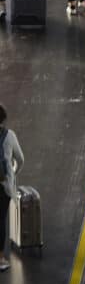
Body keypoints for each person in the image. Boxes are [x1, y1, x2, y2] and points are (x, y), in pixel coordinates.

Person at [0, 104, 25, 271]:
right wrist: (13, 174)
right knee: (0, 220)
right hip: (3, 186)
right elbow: (20, 159)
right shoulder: (9, 136)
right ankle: (0, 258)